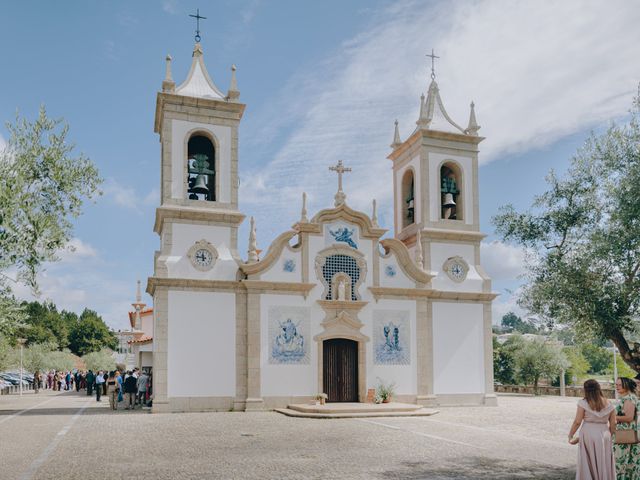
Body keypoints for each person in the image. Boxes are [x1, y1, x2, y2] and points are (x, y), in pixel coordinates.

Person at [568, 379, 616, 479]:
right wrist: (610, 434)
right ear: (599, 389)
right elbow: (613, 423)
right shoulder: (609, 404)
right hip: (605, 434)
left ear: (586, 390)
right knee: (603, 460)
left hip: (588, 433)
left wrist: (571, 435)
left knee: (587, 461)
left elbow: (577, 421)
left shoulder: (583, 403)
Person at [614, 377, 640, 479]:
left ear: (626, 385)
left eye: (619, 385)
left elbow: (629, 417)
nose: (617, 387)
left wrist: (611, 416)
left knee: (621, 462)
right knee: (629, 463)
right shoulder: (631, 397)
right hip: (628, 434)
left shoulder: (628, 398)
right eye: (616, 385)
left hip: (624, 435)